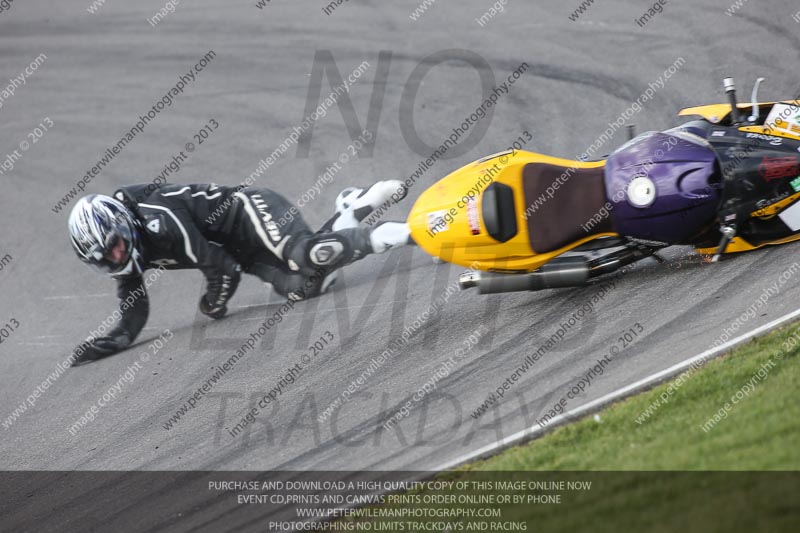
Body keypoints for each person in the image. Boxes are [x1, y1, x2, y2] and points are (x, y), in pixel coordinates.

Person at [66, 180, 411, 366]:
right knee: (303, 286)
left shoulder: (158, 218)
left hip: (251, 210)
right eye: (105, 257)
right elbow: (134, 306)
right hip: (241, 248)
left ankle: (407, 233)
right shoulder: (128, 247)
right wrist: (114, 341)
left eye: (115, 244)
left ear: (121, 224)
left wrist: (211, 305)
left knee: (306, 255)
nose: (117, 255)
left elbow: (219, 267)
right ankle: (351, 209)